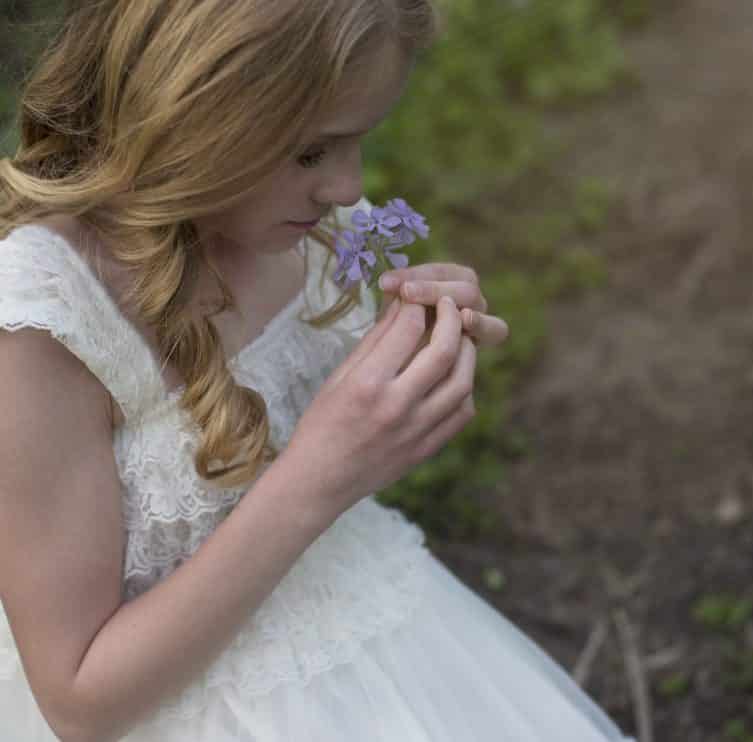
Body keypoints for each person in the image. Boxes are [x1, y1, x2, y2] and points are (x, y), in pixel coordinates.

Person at [0, 1, 637, 740]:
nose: (346, 188)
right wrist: (319, 473)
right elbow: (79, 701)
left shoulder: (308, 231)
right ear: (193, 113)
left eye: (359, 142)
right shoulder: (46, 321)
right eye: (311, 152)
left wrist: (405, 376)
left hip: (379, 639)